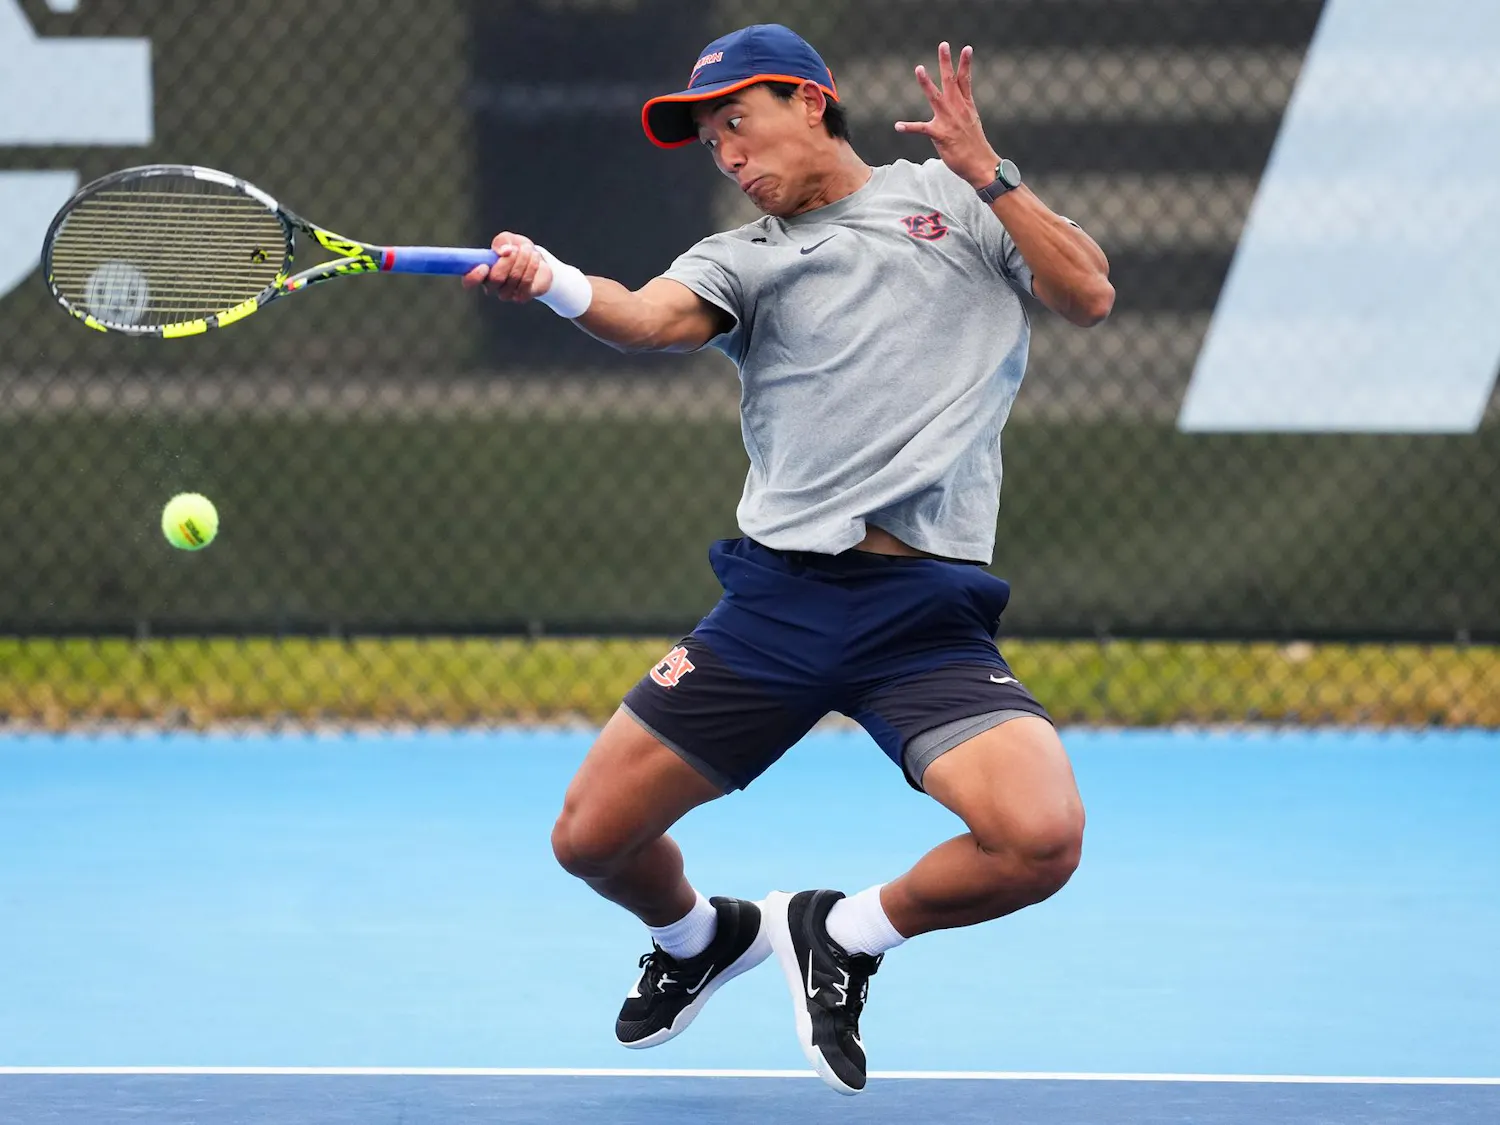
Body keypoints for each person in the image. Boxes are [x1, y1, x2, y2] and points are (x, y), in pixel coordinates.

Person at [464, 23, 1113, 1096]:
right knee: (591, 841)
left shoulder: (955, 199)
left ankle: (844, 934)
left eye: (736, 120)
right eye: (708, 138)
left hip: (923, 613)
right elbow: (641, 316)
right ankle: (697, 942)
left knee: (1040, 838)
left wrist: (988, 174)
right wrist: (552, 283)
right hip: (781, 604)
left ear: (811, 102)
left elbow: (1087, 292)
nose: (724, 151)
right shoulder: (742, 259)